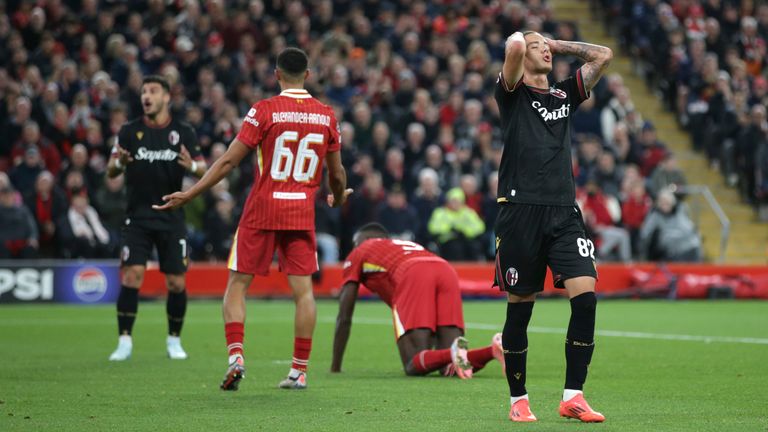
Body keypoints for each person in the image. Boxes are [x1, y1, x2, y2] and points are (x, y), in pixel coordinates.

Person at [154, 48, 350, 391]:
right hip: (301, 211)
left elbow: (229, 162)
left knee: (237, 285)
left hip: (263, 208)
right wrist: (337, 194)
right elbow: (337, 172)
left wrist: (192, 192)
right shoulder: (326, 115)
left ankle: (236, 357)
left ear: (276, 74)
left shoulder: (264, 111)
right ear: (308, 74)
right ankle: (299, 371)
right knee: (303, 293)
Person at [493, 31, 612, 422]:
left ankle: (573, 396)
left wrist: (558, 45)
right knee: (520, 308)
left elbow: (602, 55)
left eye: (546, 45)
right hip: (519, 211)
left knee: (587, 297)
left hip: (563, 212)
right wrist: (522, 42)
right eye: (537, 46)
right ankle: (518, 400)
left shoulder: (564, 95)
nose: (544, 48)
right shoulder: (511, 93)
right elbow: (512, 49)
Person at [106, 75, 207, 362]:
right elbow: (110, 171)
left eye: (152, 91)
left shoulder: (183, 131)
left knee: (176, 282)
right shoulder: (129, 131)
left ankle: (174, 340)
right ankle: (124, 340)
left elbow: (204, 169)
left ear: (166, 97)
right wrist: (120, 164)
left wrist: (193, 167)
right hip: (137, 217)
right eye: (143, 92)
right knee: (132, 274)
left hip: (172, 218)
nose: (146, 97)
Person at [331, 223, 503, 378]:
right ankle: (493, 350)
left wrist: (335, 366)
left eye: (355, 242)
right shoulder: (405, 245)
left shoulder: (361, 249)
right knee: (449, 367)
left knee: (413, 363)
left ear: (365, 239)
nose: (354, 247)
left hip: (413, 272)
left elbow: (344, 315)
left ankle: (452, 352)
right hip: (445, 269)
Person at [427, 187, 485, 261]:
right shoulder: (440, 213)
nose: (455, 204)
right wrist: (449, 229)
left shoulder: (468, 213)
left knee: (474, 247)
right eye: (453, 201)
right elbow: (433, 227)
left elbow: (480, 227)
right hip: (447, 241)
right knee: (455, 248)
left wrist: (465, 231)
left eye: (458, 201)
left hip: (466, 239)